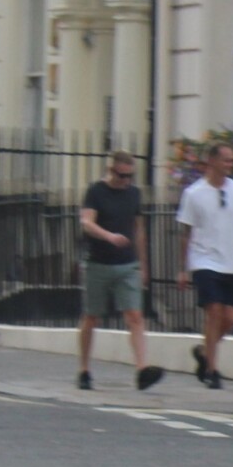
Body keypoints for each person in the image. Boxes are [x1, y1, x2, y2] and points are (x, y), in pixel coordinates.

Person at [77, 151, 164, 392]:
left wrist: (144, 265)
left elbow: (139, 231)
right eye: (122, 175)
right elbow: (86, 223)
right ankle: (84, 369)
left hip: (127, 265)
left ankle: (141, 369)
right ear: (111, 170)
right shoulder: (96, 191)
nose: (126, 181)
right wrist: (109, 236)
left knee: (135, 316)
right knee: (91, 316)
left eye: (130, 176)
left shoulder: (134, 194)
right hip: (98, 263)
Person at [178, 139, 233, 389]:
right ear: (212, 161)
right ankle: (212, 370)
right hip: (204, 260)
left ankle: (203, 351)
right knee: (214, 312)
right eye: (226, 159)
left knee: (229, 318)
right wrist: (183, 268)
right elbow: (186, 233)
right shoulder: (194, 194)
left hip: (230, 262)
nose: (231, 164)